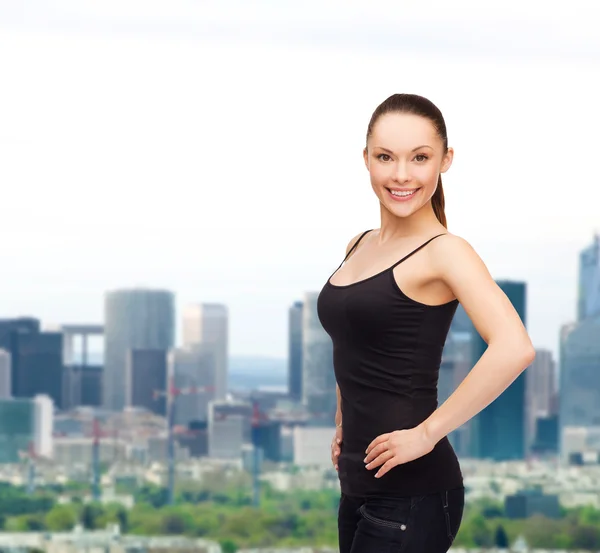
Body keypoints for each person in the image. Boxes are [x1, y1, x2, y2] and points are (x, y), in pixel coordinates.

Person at [316, 93, 535, 552]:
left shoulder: (445, 251)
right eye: (385, 157)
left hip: (413, 494)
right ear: (366, 160)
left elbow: (515, 347)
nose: (401, 174)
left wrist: (427, 434)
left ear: (445, 160)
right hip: (356, 485)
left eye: (419, 158)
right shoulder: (359, 243)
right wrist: (342, 419)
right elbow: (355, 340)